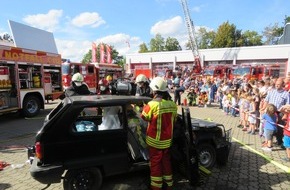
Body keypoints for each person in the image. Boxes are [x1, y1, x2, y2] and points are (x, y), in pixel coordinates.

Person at [140, 77, 177, 190]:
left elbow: (144, 117)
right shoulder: (172, 105)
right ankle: (169, 185)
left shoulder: (152, 105)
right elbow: (174, 120)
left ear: (155, 91)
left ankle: (156, 187)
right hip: (167, 142)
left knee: (155, 165)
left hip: (155, 142)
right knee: (166, 162)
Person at [262, 78, 290, 148]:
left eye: (279, 84)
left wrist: (285, 114)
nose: (277, 85)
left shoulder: (286, 94)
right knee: (268, 127)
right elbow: (266, 100)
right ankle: (268, 140)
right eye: (276, 84)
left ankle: (279, 141)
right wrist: (263, 108)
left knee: (279, 128)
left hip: (279, 113)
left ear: (282, 85)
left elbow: (287, 105)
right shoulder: (271, 92)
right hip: (269, 112)